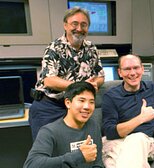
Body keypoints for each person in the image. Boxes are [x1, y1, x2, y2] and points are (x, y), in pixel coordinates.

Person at [23, 82, 106, 168]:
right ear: (68, 102)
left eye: (91, 102)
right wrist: (78, 156)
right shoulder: (49, 132)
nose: (87, 107)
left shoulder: (93, 126)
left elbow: (97, 165)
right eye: (81, 100)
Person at [29, 6, 105, 140]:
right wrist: (80, 86)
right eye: (74, 24)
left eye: (84, 24)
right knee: (48, 148)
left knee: (77, 147)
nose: (79, 29)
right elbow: (49, 80)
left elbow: (100, 76)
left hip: (76, 107)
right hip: (50, 106)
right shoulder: (55, 47)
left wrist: (93, 84)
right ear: (65, 25)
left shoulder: (91, 48)